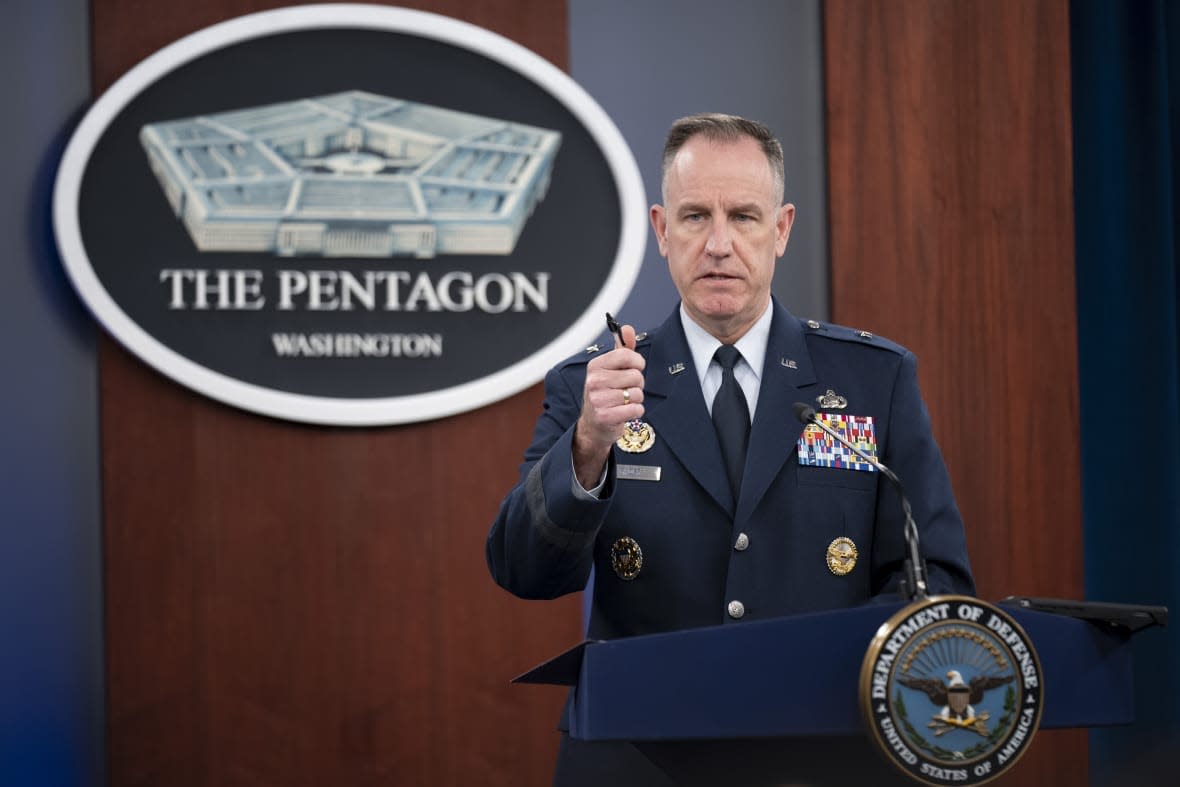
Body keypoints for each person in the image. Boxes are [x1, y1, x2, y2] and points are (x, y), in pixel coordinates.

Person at [486, 113, 974, 786]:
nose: (719, 244)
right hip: (642, 755)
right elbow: (522, 570)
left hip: (822, 750)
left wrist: (806, 667)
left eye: (744, 216)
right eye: (694, 217)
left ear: (781, 229)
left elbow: (937, 579)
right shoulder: (595, 386)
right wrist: (588, 445)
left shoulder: (872, 380)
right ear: (661, 230)